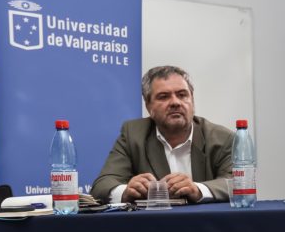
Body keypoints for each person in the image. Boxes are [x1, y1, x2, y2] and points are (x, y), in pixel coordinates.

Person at [91, 65, 234, 203]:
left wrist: (198, 189)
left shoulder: (222, 138)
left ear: (192, 100)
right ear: (148, 106)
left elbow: (238, 183)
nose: (175, 102)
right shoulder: (133, 134)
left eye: (182, 95)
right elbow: (102, 185)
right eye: (164, 97)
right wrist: (126, 191)